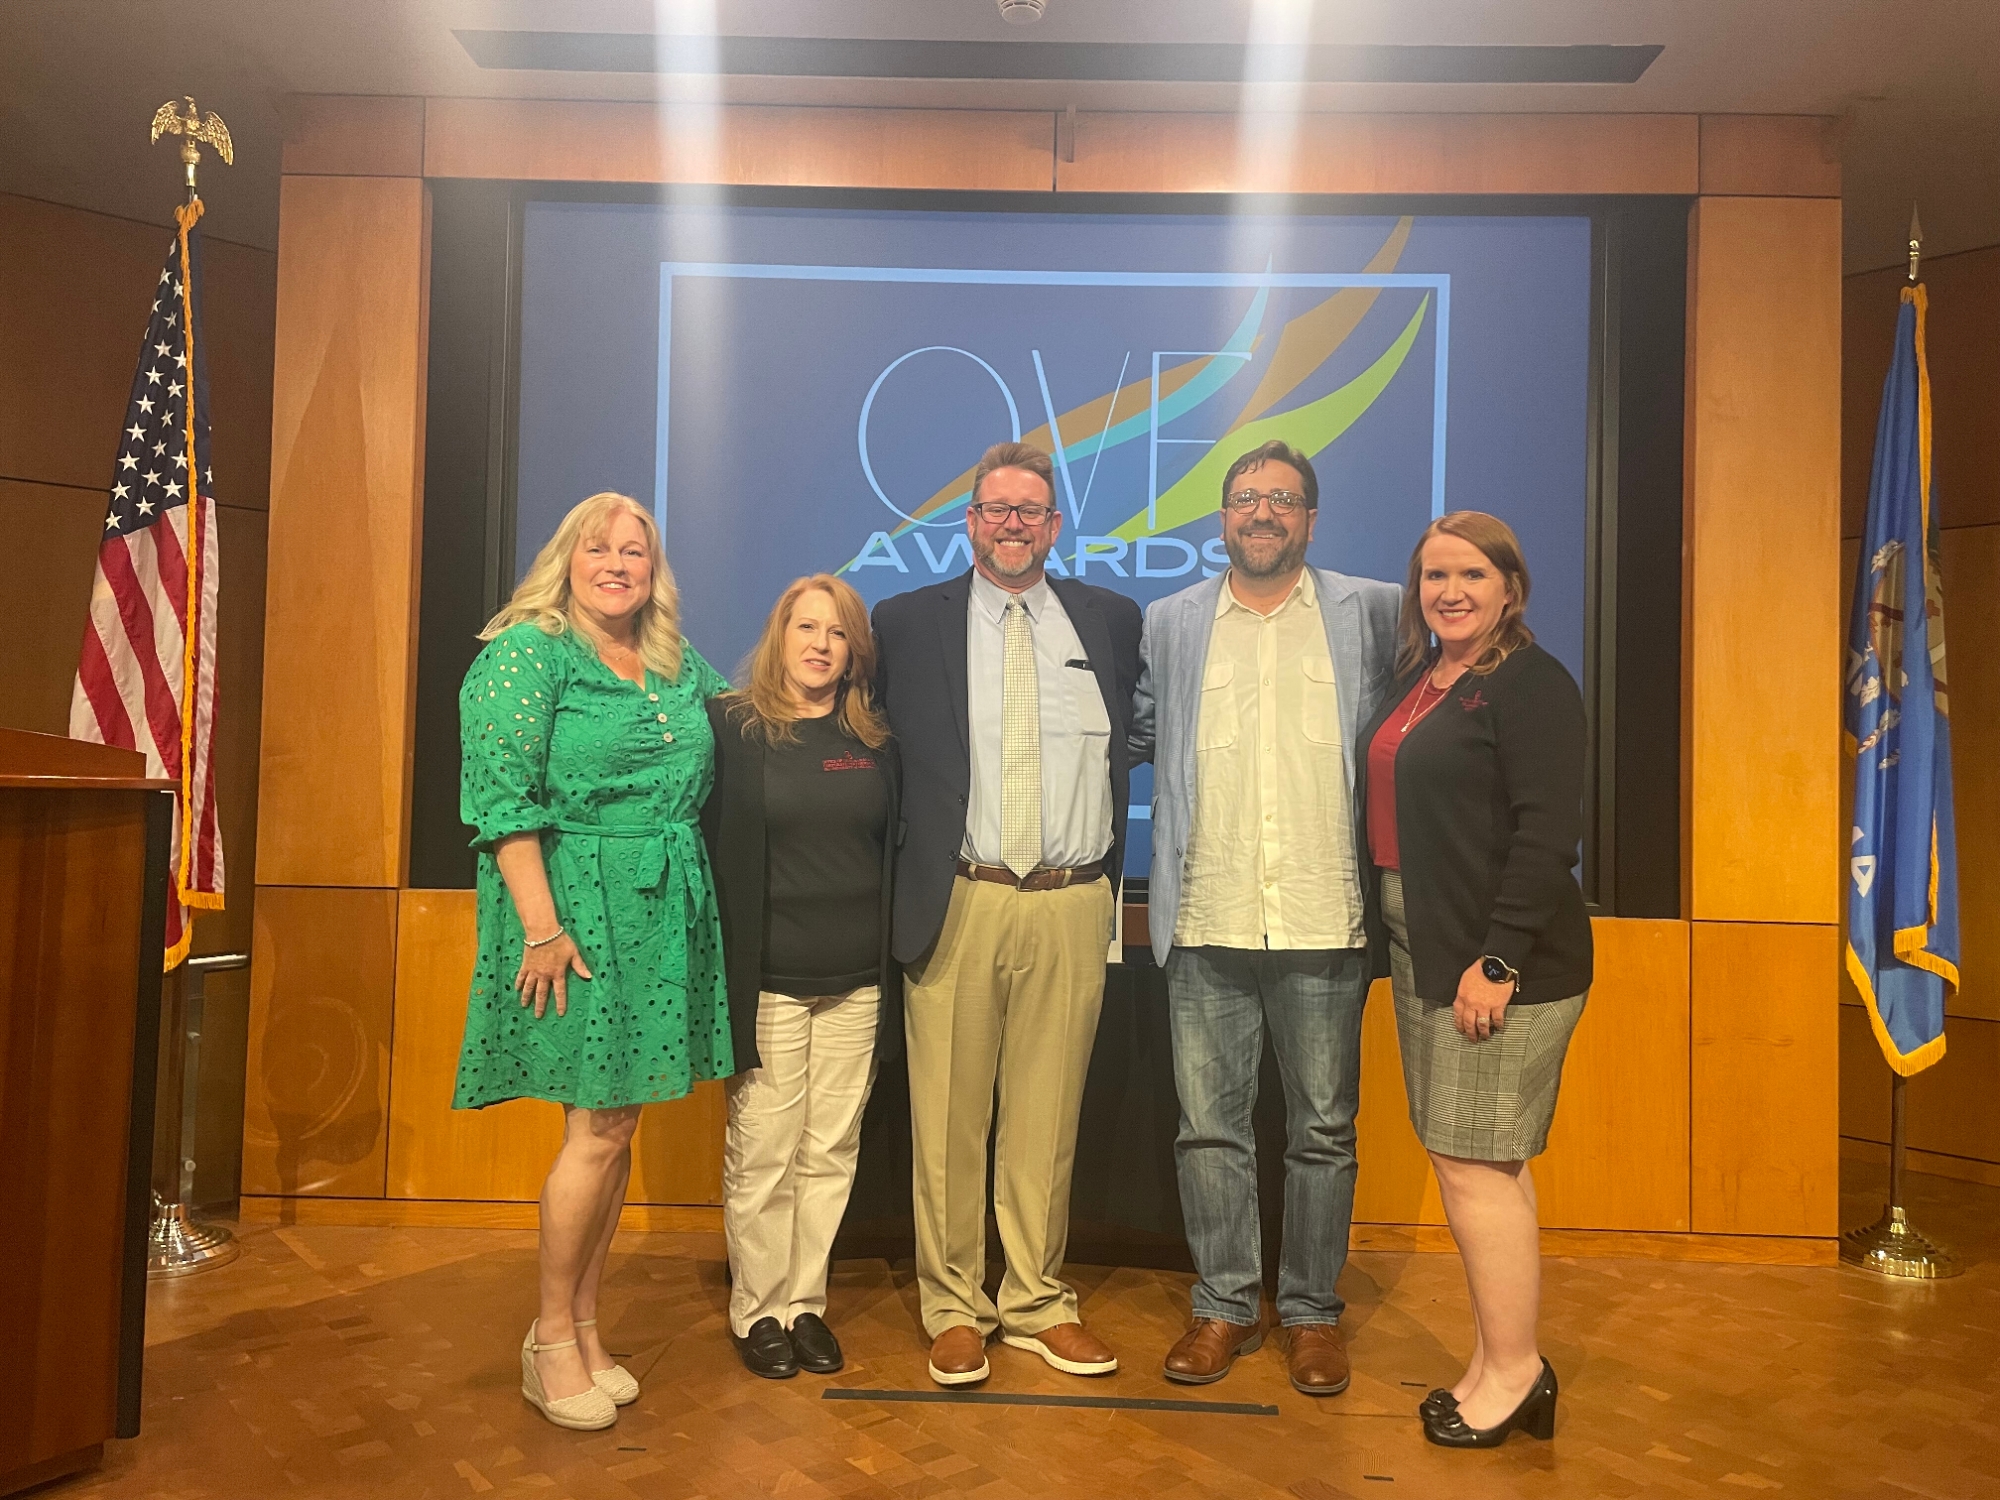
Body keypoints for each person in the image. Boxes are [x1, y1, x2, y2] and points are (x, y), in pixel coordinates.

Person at [454, 491, 733, 1431]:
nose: (619, 563)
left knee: (618, 1126)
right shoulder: (526, 654)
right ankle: (545, 1340)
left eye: (637, 551)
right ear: (566, 557)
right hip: (576, 912)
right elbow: (502, 805)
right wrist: (542, 928)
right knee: (597, 1129)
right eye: (600, 547)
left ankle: (582, 1323)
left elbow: (739, 722)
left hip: (660, 911)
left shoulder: (670, 658)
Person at [1129, 440, 1400, 1394]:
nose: (1263, 513)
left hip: (1326, 916)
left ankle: (1314, 1314)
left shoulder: (1371, 611)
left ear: (1311, 520)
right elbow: (1136, 733)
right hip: (1206, 915)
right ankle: (1225, 1307)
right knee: (1210, 1129)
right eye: (1247, 498)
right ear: (1222, 516)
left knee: (1324, 1130)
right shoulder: (1169, 621)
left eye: (1283, 499)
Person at [871, 441, 1142, 1387]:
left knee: (1046, 1115)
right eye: (996, 509)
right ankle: (954, 1306)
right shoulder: (905, 622)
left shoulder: (1110, 619)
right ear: (971, 521)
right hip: (961, 895)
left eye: (1031, 510)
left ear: (1055, 525)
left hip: (1070, 902)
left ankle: (1033, 1298)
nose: (1013, 524)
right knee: (946, 1121)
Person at [1354, 511, 1591, 1449]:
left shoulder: (1532, 684)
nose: (1448, 591)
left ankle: (1518, 1374)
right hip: (1428, 943)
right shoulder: (1432, 677)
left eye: (1470, 575)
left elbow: (1546, 839)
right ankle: (1502, 1358)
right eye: (1433, 577)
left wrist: (1497, 960)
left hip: (1497, 962)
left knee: (1472, 1165)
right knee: (1484, 1161)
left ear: (1510, 587)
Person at [702, 575, 901, 1381]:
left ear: (856, 650)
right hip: (771, 980)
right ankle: (757, 1309)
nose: (820, 644)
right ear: (779, 635)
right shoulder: (730, 727)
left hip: (859, 979)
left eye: (837, 632)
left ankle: (804, 1305)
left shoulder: (879, 740)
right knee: (765, 1152)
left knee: (830, 1150)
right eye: (805, 627)